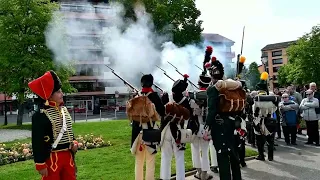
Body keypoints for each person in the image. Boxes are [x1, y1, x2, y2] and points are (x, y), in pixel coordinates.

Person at [28, 70, 78, 180]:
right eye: (58, 92)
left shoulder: (64, 110)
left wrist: (74, 142)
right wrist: (40, 163)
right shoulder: (40, 115)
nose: (62, 94)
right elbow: (37, 141)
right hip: (51, 158)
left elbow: (68, 131)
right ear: (49, 95)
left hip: (68, 156)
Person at [204, 56, 245, 180]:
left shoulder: (213, 89)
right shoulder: (234, 86)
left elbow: (211, 110)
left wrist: (207, 126)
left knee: (222, 157)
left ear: (211, 74)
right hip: (234, 123)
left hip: (219, 124)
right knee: (234, 155)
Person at [127, 74, 165, 180]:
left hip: (137, 134)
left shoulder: (136, 96)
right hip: (150, 134)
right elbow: (162, 112)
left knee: (138, 162)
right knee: (150, 162)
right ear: (151, 83)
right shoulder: (154, 96)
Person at [253, 72, 278, 161]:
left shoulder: (256, 100)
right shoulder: (271, 100)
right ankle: (270, 157)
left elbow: (254, 112)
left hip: (259, 122)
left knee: (259, 141)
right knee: (270, 141)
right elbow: (274, 109)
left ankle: (261, 156)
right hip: (269, 120)